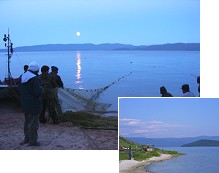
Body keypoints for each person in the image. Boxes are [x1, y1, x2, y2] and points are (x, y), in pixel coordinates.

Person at [18, 61, 43, 146]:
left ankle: (26, 139)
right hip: (34, 104)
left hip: (25, 103)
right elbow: (38, 92)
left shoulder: (22, 76)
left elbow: (19, 89)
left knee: (27, 122)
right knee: (33, 123)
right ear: (36, 70)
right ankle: (33, 141)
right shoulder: (34, 79)